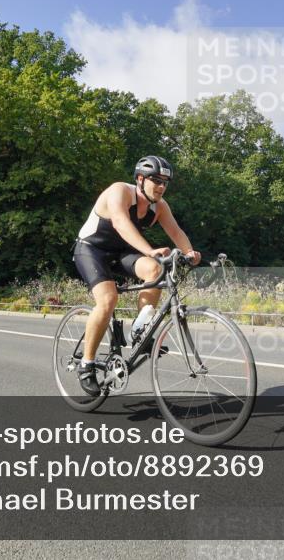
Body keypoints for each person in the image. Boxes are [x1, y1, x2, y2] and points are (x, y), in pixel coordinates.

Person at [73, 155, 200, 396]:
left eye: (165, 182)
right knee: (108, 299)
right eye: (156, 180)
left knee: (155, 269)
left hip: (121, 252)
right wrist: (150, 250)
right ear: (140, 179)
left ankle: (140, 331)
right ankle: (86, 365)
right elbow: (121, 222)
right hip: (91, 249)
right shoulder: (119, 191)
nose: (161, 186)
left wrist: (189, 252)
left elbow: (176, 231)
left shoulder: (159, 207)